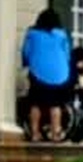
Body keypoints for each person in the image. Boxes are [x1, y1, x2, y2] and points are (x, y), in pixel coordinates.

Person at [19, 9, 73, 142]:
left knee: (36, 103)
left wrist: (27, 62)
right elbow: (67, 54)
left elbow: (26, 51)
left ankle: (35, 133)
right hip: (60, 73)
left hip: (39, 71)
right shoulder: (62, 34)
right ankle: (56, 133)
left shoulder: (32, 33)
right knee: (56, 105)